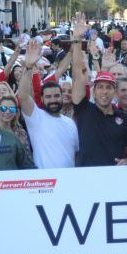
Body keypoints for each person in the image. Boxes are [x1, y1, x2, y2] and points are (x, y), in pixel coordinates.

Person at [67, 16, 127, 166]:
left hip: (114, 181)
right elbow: (78, 74)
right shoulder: (84, 109)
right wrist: (78, 40)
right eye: (100, 87)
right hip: (87, 178)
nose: (104, 92)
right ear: (94, 91)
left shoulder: (123, 119)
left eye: (108, 88)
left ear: (115, 92)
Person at [16, 39, 79, 168]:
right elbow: (23, 96)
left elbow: (76, 154)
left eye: (56, 96)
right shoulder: (36, 118)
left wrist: (73, 49)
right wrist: (28, 67)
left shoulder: (70, 123)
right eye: (48, 97)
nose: (53, 100)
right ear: (42, 99)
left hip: (70, 183)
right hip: (45, 185)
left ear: (62, 97)